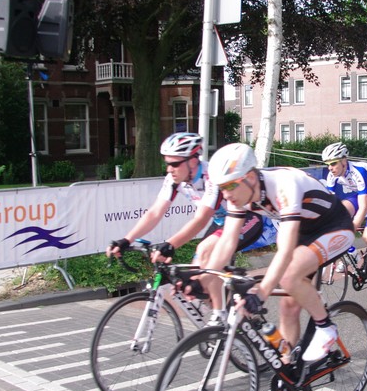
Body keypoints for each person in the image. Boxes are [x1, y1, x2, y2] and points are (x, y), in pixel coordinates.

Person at [205, 143, 355, 391]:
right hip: (305, 233)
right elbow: (227, 241)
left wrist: (262, 292)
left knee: (288, 277)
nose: (225, 195)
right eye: (221, 188)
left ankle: (325, 327)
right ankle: (286, 377)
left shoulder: (283, 184)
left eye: (229, 186)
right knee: (288, 305)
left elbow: (284, 251)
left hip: (334, 227)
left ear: (250, 177)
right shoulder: (241, 195)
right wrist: (203, 279)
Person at [106, 132, 275, 319]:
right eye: (167, 163)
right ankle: (222, 318)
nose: (169, 169)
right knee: (197, 275)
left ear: (193, 161)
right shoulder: (174, 180)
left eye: (175, 164)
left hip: (246, 218)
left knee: (204, 250)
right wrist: (127, 239)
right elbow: (155, 212)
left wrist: (170, 245)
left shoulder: (212, 176)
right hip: (221, 223)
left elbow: (201, 218)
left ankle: (221, 319)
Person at [321, 142, 367, 290]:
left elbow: (363, 207)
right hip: (360, 196)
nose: (330, 168)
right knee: (337, 215)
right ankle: (352, 253)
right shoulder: (331, 176)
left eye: (333, 163)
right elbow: (331, 203)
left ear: (344, 161)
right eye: (327, 164)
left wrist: (352, 228)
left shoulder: (358, 172)